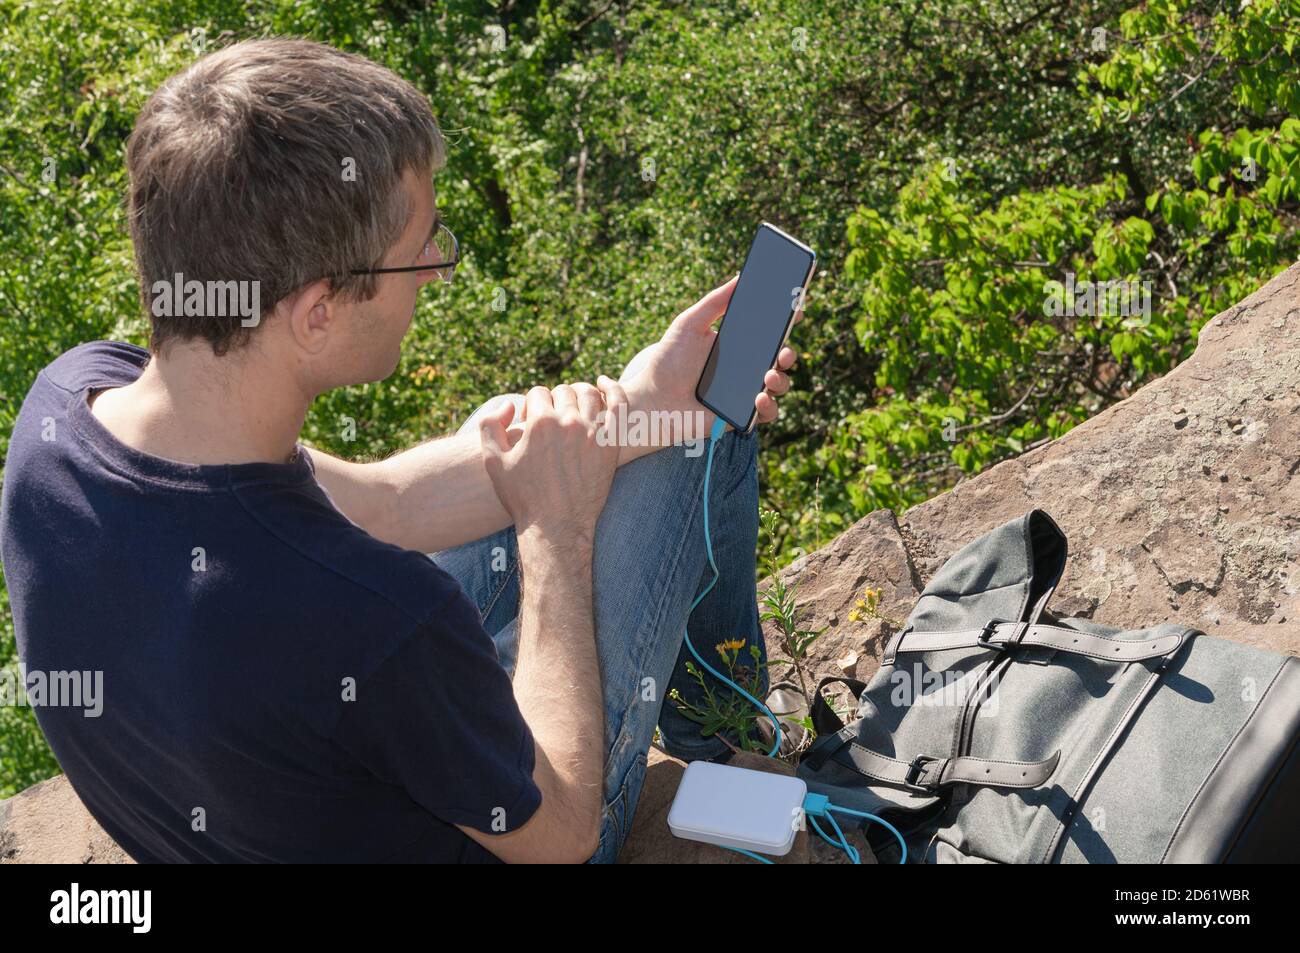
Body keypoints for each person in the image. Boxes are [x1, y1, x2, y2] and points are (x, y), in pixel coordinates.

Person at [0, 37, 799, 863]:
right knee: (696, 443)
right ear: (318, 312)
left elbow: (382, 503)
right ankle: (729, 740)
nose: (434, 273)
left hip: (264, 786)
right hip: (525, 832)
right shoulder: (377, 613)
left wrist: (630, 409)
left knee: (660, 424)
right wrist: (552, 531)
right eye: (419, 249)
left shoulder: (68, 406)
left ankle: (720, 727)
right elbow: (560, 834)